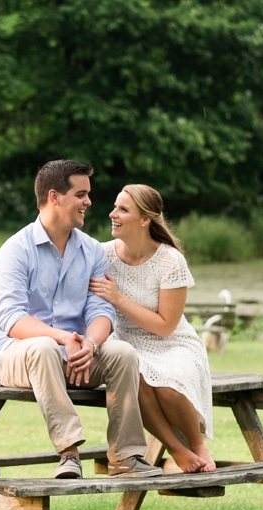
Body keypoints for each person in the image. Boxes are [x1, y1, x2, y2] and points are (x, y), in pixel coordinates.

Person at [0, 160, 163, 479]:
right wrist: (64, 338)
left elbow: (101, 311)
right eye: (81, 194)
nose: (89, 202)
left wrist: (91, 343)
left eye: (88, 194)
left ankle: (126, 458)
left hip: (75, 356)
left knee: (122, 352)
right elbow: (13, 320)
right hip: (16, 354)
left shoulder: (93, 251)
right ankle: (68, 453)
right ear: (54, 197)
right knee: (42, 346)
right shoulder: (15, 250)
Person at [89, 184, 216, 473]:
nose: (112, 214)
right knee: (139, 379)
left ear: (145, 219)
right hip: (126, 340)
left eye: (123, 209)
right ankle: (178, 450)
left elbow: (165, 326)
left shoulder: (170, 260)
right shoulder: (102, 254)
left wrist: (117, 298)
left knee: (169, 386)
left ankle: (197, 444)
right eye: (115, 206)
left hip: (173, 342)